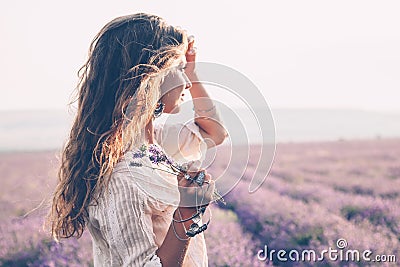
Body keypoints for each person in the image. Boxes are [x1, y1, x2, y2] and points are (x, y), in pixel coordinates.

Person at [47, 13, 225, 266]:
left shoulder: (152, 145)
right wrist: (187, 213)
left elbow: (214, 133)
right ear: (149, 77)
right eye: (178, 69)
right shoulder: (122, 176)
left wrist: (193, 72)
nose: (186, 82)